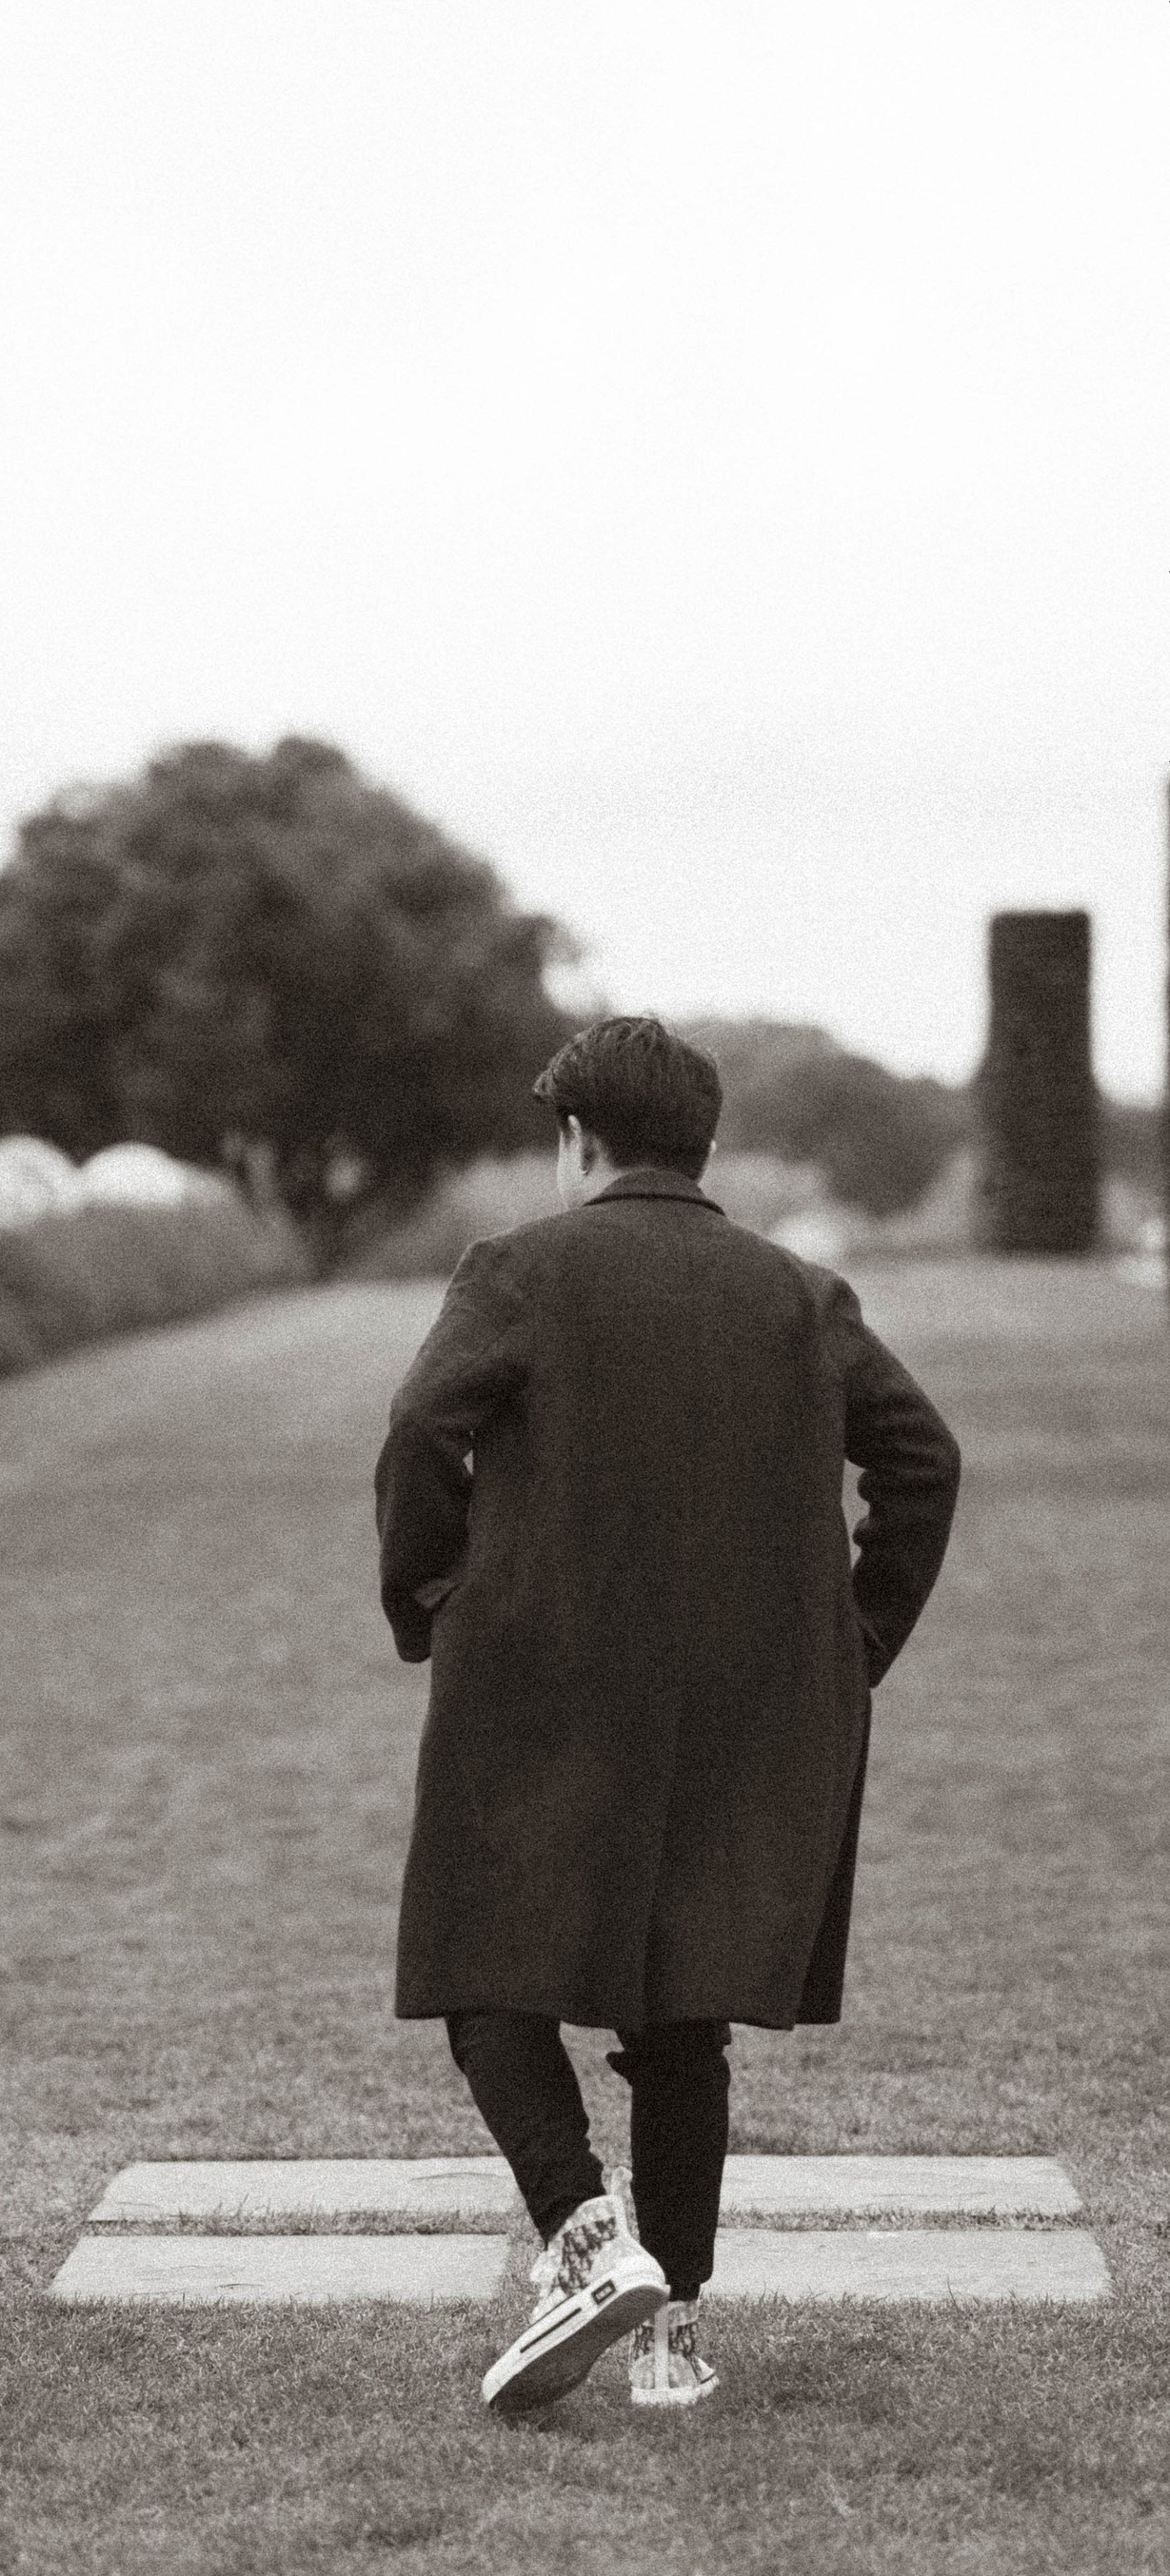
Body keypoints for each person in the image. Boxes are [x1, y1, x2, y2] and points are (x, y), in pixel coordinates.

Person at [374, 1015, 961, 2419]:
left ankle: (586, 2237)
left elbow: (418, 1433)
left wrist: (433, 1603)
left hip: (539, 1684)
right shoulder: (798, 1295)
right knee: (684, 2016)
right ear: (702, 1144)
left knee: (479, 1969)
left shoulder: (518, 1270)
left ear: (580, 1139)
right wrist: (851, 1645)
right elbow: (922, 1462)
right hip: (748, 1711)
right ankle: (672, 2338)